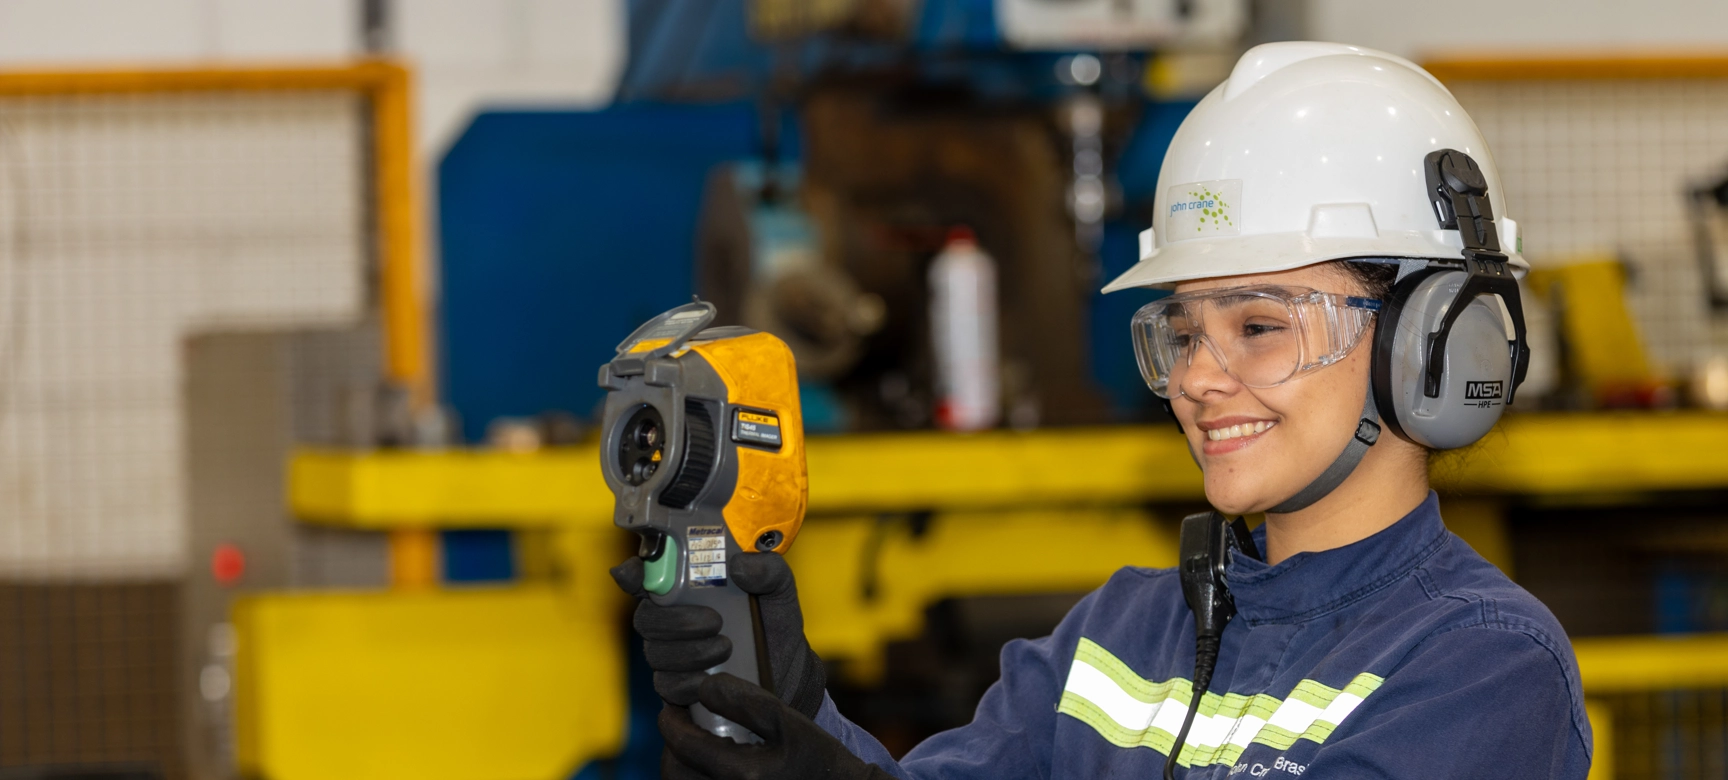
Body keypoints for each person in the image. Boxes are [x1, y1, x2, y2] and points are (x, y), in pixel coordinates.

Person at [612, 42, 1592, 779]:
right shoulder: (1118, 635)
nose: (1202, 378)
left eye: (1258, 324)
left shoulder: (1483, 669)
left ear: (1436, 341)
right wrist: (786, 700)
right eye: (1183, 329)